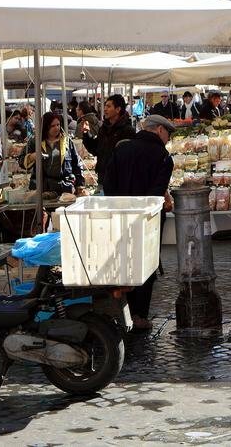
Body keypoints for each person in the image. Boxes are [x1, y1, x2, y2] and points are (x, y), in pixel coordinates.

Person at [104, 114, 175, 331]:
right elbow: (155, 196)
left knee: (121, 261)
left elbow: (108, 183)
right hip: (148, 220)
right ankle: (139, 315)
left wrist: (120, 206)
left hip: (120, 215)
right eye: (168, 134)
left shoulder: (122, 148)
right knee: (147, 264)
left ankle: (120, 311)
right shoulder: (163, 157)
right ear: (159, 130)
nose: (168, 139)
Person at [22, 111, 85, 195]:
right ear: (45, 127)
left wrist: (80, 184)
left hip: (64, 188)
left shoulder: (66, 141)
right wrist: (32, 157)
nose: (56, 128)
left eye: (58, 125)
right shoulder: (35, 141)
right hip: (42, 189)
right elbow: (21, 161)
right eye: (52, 126)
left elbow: (77, 163)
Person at [81, 94, 136, 188]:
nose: (105, 109)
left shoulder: (128, 131)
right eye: (105, 106)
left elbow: (130, 159)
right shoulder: (104, 128)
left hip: (120, 181)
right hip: (103, 178)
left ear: (118, 109)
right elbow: (95, 149)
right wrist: (86, 134)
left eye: (108, 106)